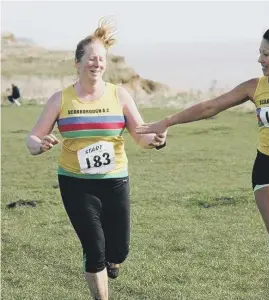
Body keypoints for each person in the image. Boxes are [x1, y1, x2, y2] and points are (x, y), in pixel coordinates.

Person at [136, 15, 269, 300]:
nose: (259, 59)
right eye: (259, 52)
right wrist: (168, 121)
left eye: (265, 54)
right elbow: (211, 106)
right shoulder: (254, 87)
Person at [26, 16, 167, 300]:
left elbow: (140, 136)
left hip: (115, 181)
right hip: (76, 183)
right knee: (94, 249)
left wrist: (157, 140)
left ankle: (113, 261)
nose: (97, 64)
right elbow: (32, 138)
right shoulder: (60, 99)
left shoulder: (120, 95)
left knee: (119, 250)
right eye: (91, 59)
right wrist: (39, 145)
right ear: (77, 63)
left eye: (101, 59)